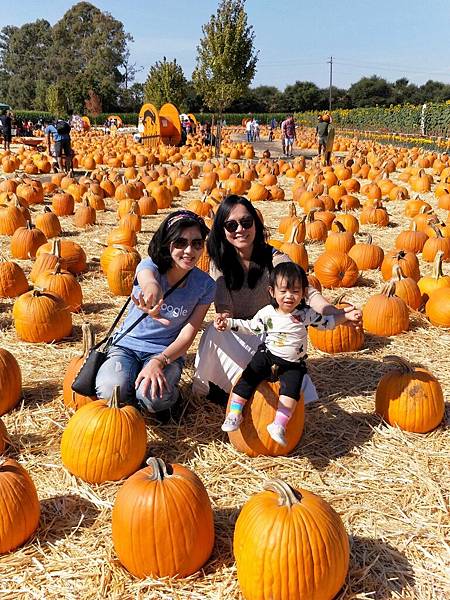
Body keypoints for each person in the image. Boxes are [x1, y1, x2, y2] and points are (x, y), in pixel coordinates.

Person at [193, 195, 360, 405]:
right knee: (213, 333)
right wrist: (223, 319)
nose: (240, 229)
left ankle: (261, 390)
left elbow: (307, 291)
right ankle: (226, 389)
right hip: (243, 330)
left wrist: (333, 312)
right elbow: (224, 304)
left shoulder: (275, 258)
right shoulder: (220, 262)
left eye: (246, 222)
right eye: (231, 225)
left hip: (272, 333)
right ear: (222, 229)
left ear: (256, 222)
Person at [215, 262, 362, 445]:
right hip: (268, 355)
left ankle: (279, 425)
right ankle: (235, 413)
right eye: (283, 291)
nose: (289, 296)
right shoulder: (267, 313)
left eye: (295, 291)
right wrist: (227, 323)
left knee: (291, 393)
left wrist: (345, 317)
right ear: (272, 292)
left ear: (303, 293)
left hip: (293, 364)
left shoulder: (305, 314)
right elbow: (250, 327)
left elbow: (327, 323)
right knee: (248, 378)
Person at [96, 210, 216, 423]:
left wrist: (159, 361)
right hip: (127, 347)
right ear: (167, 243)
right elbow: (148, 282)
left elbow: (187, 336)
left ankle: (170, 399)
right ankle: (131, 394)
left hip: (165, 353)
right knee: (110, 391)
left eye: (197, 243)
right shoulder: (150, 266)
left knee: (153, 398)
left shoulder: (206, 286)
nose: (189, 250)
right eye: (180, 242)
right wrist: (152, 294)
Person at [45, 110, 73, 174]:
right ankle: (68, 170)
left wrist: (49, 150)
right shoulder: (63, 123)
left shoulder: (49, 127)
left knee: (59, 155)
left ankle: (62, 171)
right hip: (67, 139)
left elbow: (48, 141)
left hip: (58, 141)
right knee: (68, 155)